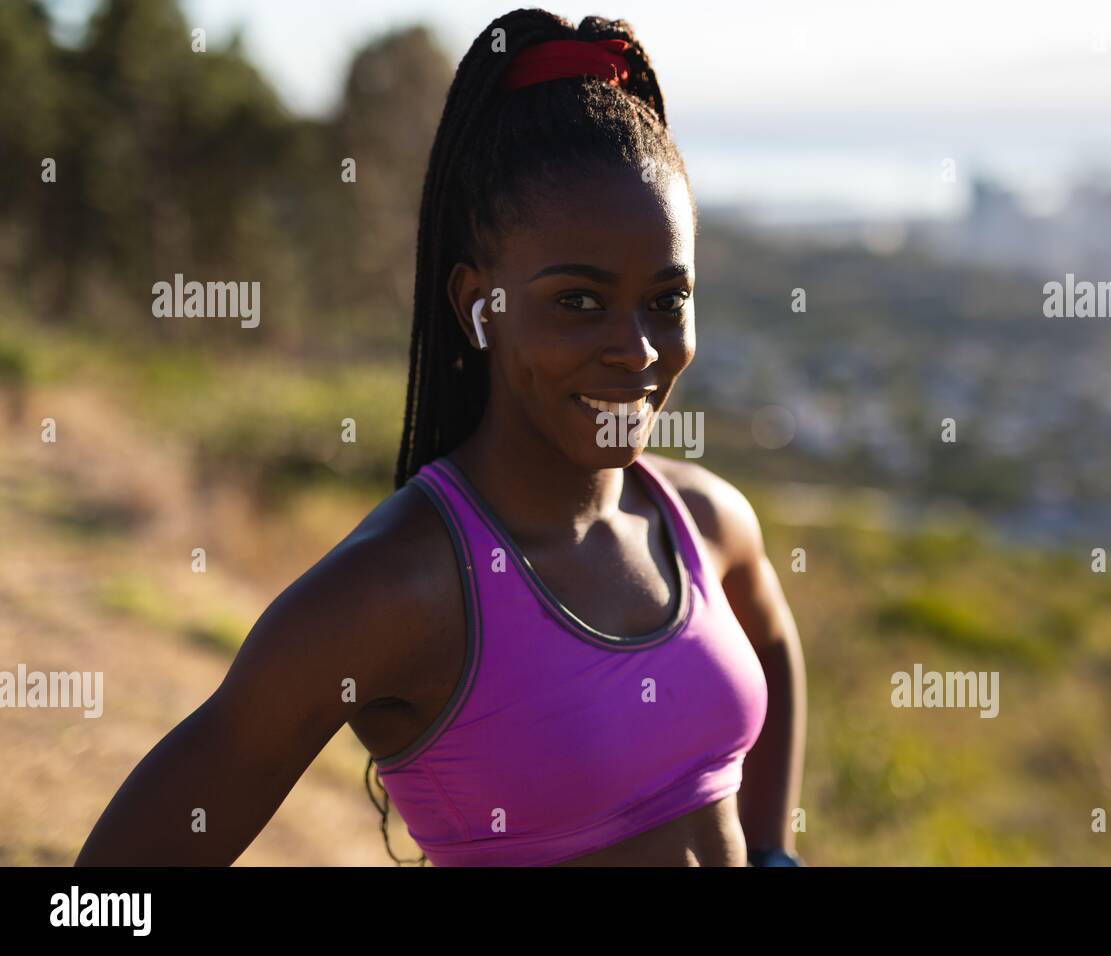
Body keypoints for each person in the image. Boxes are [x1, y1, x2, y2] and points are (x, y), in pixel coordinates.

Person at [76, 7, 806, 867]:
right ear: (477, 305)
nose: (636, 348)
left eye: (667, 299)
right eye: (578, 299)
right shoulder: (395, 589)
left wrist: (772, 851)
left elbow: (774, 649)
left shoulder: (705, 520)